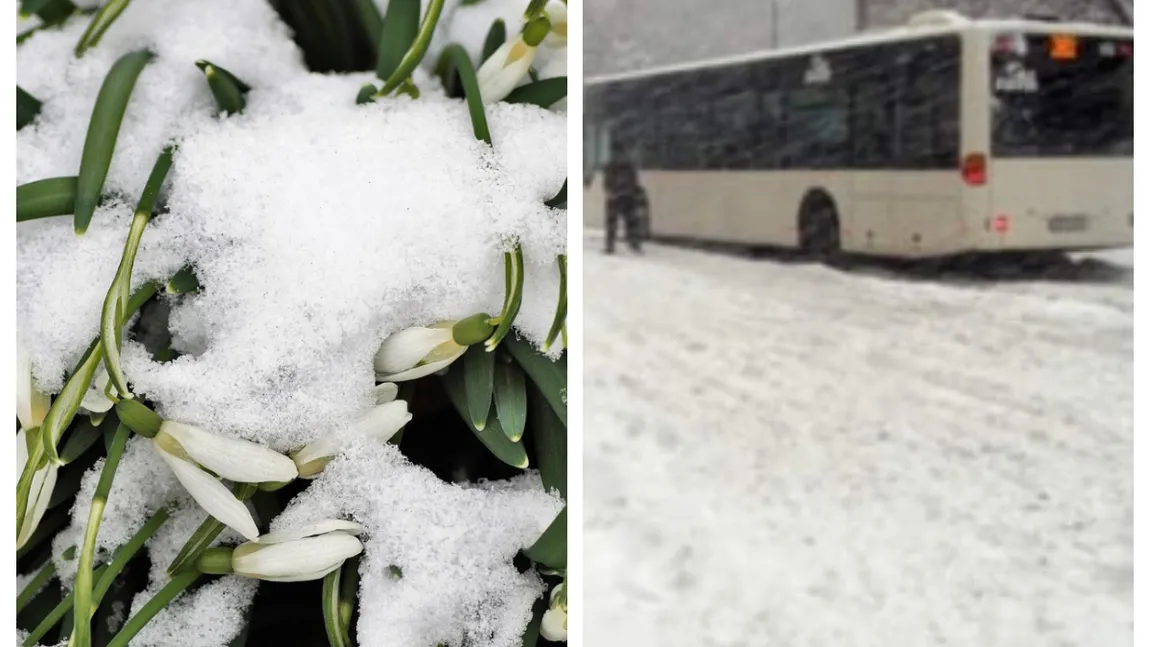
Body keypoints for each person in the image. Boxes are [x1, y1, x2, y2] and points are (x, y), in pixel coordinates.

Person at [602, 146, 645, 254]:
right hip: (628, 196)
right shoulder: (630, 166)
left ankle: (610, 246)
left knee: (612, 223)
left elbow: (607, 182)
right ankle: (635, 244)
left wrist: (610, 192)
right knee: (631, 222)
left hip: (615, 197)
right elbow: (635, 182)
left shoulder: (610, 165)